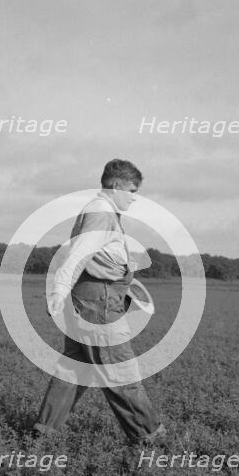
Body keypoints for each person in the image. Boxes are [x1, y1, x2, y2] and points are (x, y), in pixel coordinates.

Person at [33, 159, 166, 444]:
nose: (134, 196)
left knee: (73, 369)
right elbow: (78, 254)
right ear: (116, 186)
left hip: (86, 298)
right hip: (98, 303)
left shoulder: (98, 210)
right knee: (119, 371)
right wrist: (58, 290)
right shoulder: (102, 213)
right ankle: (150, 438)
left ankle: (43, 434)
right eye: (132, 190)